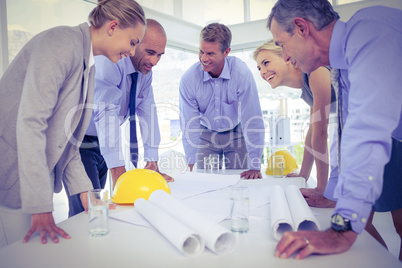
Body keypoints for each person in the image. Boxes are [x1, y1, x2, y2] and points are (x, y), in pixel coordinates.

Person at [0, 0, 146, 248]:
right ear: (112, 26)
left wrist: (86, 194)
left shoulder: (86, 62)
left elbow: (67, 139)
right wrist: (40, 204)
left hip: (31, 177)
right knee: (18, 255)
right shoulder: (61, 43)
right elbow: (30, 123)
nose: (132, 53)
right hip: (11, 173)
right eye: (132, 42)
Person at [268, 0, 402, 260]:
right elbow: (347, 132)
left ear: (301, 27)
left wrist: (342, 230)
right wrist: (332, 192)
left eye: (281, 44)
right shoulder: (344, 65)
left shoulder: (369, 31)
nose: (285, 56)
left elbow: (367, 131)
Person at [65, 19, 173, 217]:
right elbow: (106, 114)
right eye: (150, 52)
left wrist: (152, 160)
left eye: (160, 55)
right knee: (87, 209)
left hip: (104, 141)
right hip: (79, 142)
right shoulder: (110, 62)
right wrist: (118, 171)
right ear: (135, 42)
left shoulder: (144, 70)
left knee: (102, 208)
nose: (155, 61)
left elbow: (148, 111)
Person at [179, 23, 265, 180]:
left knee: (242, 181)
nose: (204, 58)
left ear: (226, 52)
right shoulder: (189, 79)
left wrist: (255, 165)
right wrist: (190, 160)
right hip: (206, 136)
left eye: (211, 53)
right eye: (201, 51)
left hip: (236, 133)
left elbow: (252, 118)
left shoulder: (241, 73)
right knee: (206, 182)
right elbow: (189, 122)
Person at [253, 40, 336, 198]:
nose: (262, 72)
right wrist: (303, 175)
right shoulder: (307, 85)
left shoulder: (316, 72)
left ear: (287, 57)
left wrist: (321, 188)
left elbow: (320, 134)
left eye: (266, 63)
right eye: (259, 68)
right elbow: (312, 134)